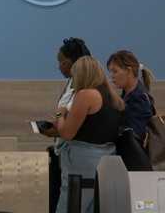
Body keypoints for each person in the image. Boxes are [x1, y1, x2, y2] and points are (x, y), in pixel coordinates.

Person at [55, 56, 123, 213]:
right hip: (106, 160)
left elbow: (66, 133)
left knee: (71, 204)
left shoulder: (86, 95)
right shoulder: (112, 96)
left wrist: (60, 114)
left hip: (81, 162)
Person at [40, 37, 91, 213]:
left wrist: (59, 124)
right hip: (62, 151)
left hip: (75, 154)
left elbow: (68, 120)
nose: (59, 66)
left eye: (61, 62)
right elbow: (62, 113)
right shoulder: (71, 84)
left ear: (70, 63)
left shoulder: (85, 90)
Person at [107, 50, 154, 146]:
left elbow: (135, 135)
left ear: (129, 71)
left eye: (115, 71)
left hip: (136, 158)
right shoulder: (127, 94)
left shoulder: (139, 98)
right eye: (111, 72)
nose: (112, 76)